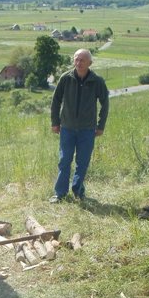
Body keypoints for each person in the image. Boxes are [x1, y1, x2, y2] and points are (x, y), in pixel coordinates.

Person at [49, 48, 109, 203]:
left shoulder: (97, 81)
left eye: (82, 60)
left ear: (90, 62)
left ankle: (78, 191)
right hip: (67, 128)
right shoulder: (66, 78)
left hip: (87, 130)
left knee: (82, 162)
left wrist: (100, 125)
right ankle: (60, 193)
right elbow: (56, 101)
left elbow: (105, 103)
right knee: (64, 161)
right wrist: (55, 122)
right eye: (76, 59)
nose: (79, 63)